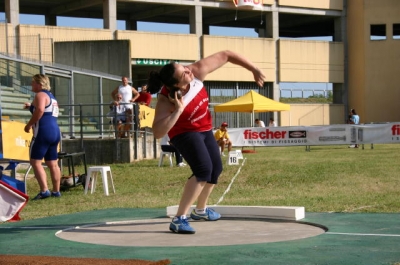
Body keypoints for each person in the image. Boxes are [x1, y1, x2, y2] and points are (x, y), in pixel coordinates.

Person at [147, 50, 265, 234]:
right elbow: (157, 132)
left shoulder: (197, 71)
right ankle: (179, 219)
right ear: (177, 84)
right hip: (184, 134)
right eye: (183, 72)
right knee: (203, 170)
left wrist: (254, 68)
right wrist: (178, 110)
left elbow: (226, 55)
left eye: (184, 66)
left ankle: (200, 210)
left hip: (204, 129)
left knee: (215, 169)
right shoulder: (165, 99)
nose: (188, 70)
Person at [23, 74, 61, 200]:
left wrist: (29, 125)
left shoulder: (40, 95)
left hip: (43, 132)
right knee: (53, 163)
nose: (31, 85)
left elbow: (40, 110)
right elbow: (47, 109)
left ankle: (44, 190)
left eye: (33, 83)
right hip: (55, 131)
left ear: (40, 84)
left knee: (35, 161)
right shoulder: (52, 97)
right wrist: (31, 106)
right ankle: (56, 191)